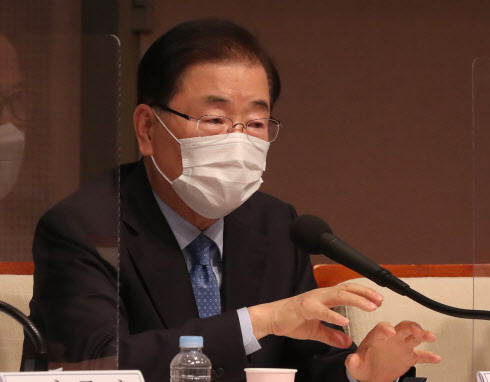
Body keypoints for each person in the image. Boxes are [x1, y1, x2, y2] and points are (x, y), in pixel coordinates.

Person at [24, 19, 440, 382]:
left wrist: (358, 372)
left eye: (256, 123)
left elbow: (306, 368)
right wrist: (260, 321)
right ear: (148, 129)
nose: (237, 141)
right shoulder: (82, 228)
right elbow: (95, 368)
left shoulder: (276, 225)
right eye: (215, 120)